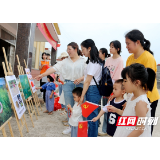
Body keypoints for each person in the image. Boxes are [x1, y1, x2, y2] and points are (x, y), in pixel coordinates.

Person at [34, 42, 86, 135]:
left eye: (70, 49)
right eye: (67, 49)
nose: (68, 51)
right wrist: (42, 75)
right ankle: (71, 126)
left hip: (80, 85)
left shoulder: (83, 61)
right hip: (68, 84)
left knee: (80, 107)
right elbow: (54, 68)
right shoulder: (65, 61)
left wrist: (81, 78)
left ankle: (81, 126)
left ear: (76, 49)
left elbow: (87, 74)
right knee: (69, 106)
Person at [125, 29, 160, 135]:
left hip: (148, 98)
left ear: (138, 42)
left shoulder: (148, 58)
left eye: (128, 43)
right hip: (134, 98)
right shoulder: (129, 59)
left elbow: (148, 84)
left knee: (145, 129)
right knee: (132, 127)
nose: (126, 46)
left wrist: (137, 100)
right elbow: (127, 80)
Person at [108, 63, 156, 137]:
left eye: (125, 81)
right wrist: (116, 110)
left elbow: (140, 129)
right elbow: (129, 116)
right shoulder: (132, 96)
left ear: (137, 82)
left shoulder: (141, 103)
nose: (123, 84)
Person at [78, 39, 102, 137]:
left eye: (83, 49)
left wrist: (82, 95)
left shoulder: (93, 63)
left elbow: (87, 81)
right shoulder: (96, 61)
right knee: (92, 116)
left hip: (92, 90)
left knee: (92, 117)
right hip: (94, 90)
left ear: (89, 48)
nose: (82, 51)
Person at [98, 48, 110, 136]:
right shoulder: (98, 62)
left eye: (99, 52)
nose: (98, 53)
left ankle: (105, 129)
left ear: (104, 54)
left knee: (106, 108)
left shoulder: (107, 63)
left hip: (106, 88)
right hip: (99, 88)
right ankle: (97, 122)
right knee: (98, 106)